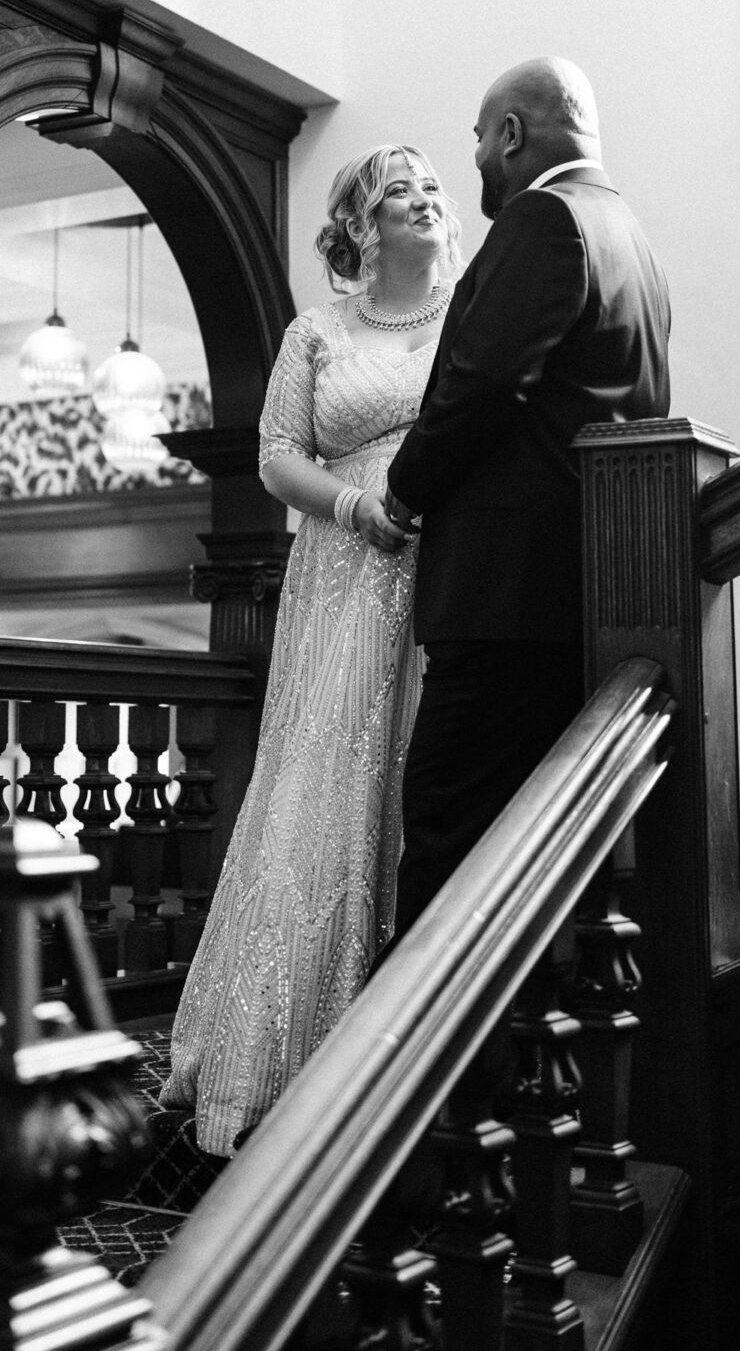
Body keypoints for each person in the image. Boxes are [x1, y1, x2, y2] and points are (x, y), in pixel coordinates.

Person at [159, 143, 463, 1156]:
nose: (420, 201)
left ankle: (398, 1034)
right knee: (322, 778)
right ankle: (268, 1050)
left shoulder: (466, 318)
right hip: (342, 564)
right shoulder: (317, 331)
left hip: (443, 560)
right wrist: (350, 504)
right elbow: (274, 454)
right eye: (395, 194)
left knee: (421, 760)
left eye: (429, 188)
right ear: (359, 228)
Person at [383, 57, 671, 937]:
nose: (473, 156)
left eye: (477, 136)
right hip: (584, 589)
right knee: (538, 848)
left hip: (504, 597)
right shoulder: (628, 235)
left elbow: (481, 380)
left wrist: (403, 489)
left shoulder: (543, 217)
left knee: (446, 832)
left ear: (510, 134)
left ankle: (427, 1069)